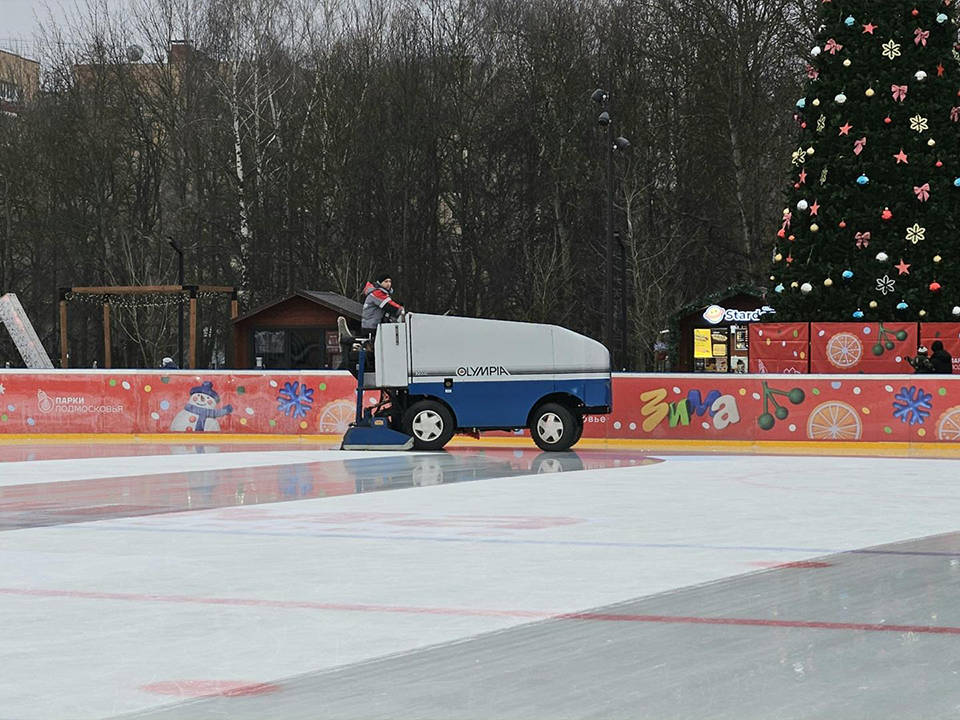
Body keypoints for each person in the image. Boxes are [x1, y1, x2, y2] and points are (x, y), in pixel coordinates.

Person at [361, 272, 404, 337]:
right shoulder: (377, 293)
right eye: (386, 281)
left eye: (390, 281)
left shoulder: (382, 293)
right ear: (380, 283)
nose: (388, 284)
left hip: (373, 326)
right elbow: (389, 306)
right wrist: (402, 311)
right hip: (371, 327)